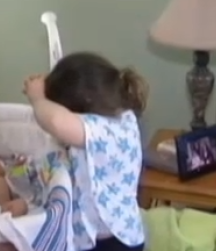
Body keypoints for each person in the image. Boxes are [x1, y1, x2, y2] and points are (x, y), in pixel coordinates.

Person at [22, 52, 148, 251]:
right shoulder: (85, 132)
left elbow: (56, 121)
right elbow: (48, 167)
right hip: (87, 237)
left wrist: (38, 99)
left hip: (115, 240)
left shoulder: (112, 130)